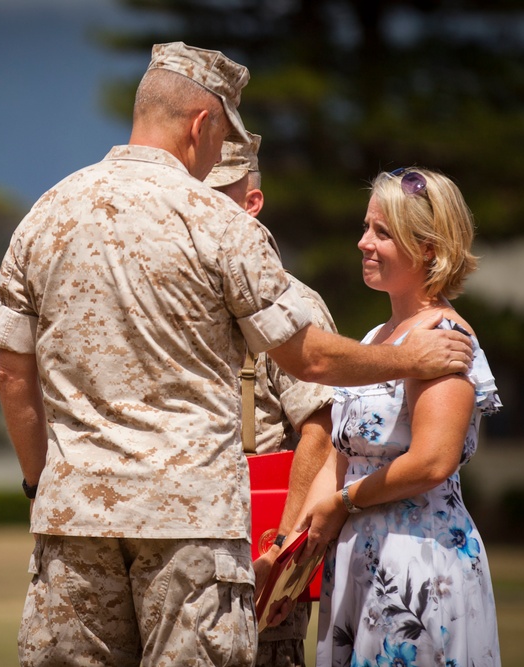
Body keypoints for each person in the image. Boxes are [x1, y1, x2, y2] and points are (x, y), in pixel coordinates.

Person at [0, 38, 474, 667]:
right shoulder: (218, 223)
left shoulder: (45, 214)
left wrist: (40, 482)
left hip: (71, 519)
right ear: (201, 124)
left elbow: (9, 374)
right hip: (190, 528)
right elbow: (309, 361)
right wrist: (412, 359)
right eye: (223, 137)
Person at [296, 167, 503, 667]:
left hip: (417, 565)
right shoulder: (375, 337)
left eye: (382, 233)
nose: (364, 243)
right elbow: (343, 450)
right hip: (363, 559)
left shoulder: (443, 335)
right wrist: (301, 536)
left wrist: (344, 502)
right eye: (366, 228)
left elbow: (434, 462)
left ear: (429, 248)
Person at [206, 135, 335, 667]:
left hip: (261, 541)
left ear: (251, 205)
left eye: (215, 196)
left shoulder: (292, 303)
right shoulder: (181, 301)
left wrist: (281, 555)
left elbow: (322, 431)